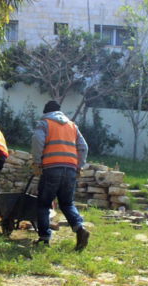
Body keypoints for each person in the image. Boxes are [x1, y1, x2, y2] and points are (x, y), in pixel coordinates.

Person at [31, 100, 89, 250]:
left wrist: (37, 163)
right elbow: (83, 147)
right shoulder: (72, 125)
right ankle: (80, 229)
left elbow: (37, 140)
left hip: (51, 169)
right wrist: (78, 167)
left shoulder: (44, 123)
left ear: (46, 112)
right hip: (70, 170)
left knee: (43, 205)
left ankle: (44, 239)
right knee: (67, 203)